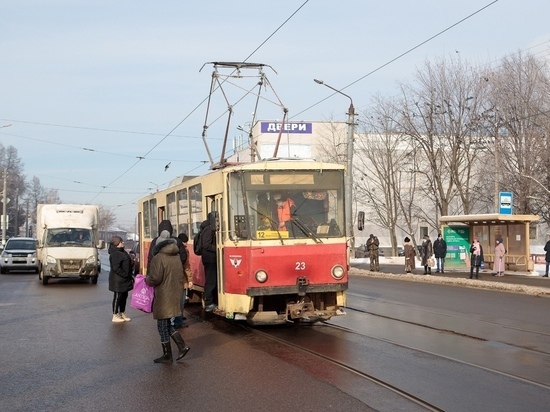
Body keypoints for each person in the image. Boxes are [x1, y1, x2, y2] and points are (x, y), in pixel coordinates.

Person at [146, 230, 190, 364]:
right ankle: (182, 346)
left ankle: (168, 354)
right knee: (165, 323)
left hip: (164, 295)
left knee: (161, 325)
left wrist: (147, 280)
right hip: (174, 292)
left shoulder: (159, 258)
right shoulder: (176, 256)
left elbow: (155, 278)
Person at [108, 236, 134, 323]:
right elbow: (116, 268)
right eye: (121, 242)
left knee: (124, 296)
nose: (123, 243)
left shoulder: (122, 251)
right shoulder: (115, 253)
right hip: (118, 280)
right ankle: (115, 315)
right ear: (117, 243)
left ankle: (122, 312)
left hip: (124, 279)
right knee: (118, 297)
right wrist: (125, 274)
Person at [173, 233, 193, 328]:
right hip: (182, 280)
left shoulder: (172, 249)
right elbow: (186, 267)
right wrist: (190, 280)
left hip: (172, 280)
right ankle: (178, 321)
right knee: (181, 302)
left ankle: (176, 319)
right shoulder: (184, 251)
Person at [200, 212, 218, 312]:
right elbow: (206, 244)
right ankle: (209, 303)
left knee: (212, 280)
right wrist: (217, 248)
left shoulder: (208, 228)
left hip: (209, 258)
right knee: (211, 281)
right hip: (210, 259)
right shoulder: (209, 229)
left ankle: (211, 301)